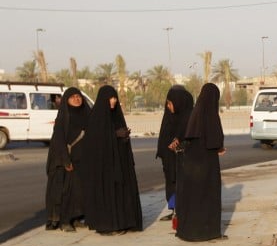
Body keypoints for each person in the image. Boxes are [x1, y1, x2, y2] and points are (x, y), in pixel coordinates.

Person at [80, 85, 143, 235]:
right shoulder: (96, 119)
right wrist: (115, 135)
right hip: (104, 168)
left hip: (119, 165)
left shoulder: (117, 117)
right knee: (107, 195)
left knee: (120, 193)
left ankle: (124, 222)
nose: (114, 101)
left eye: (115, 97)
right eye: (111, 98)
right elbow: (95, 143)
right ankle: (106, 225)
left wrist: (123, 136)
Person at [176, 83, 226, 242]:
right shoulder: (211, 115)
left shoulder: (196, 115)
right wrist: (219, 148)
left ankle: (191, 232)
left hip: (193, 164)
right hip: (207, 165)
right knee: (208, 198)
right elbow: (215, 140)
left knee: (194, 199)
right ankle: (208, 232)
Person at [44, 87, 91, 232]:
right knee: (67, 192)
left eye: (79, 96)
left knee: (81, 191)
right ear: (66, 100)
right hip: (68, 160)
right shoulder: (64, 117)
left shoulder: (87, 114)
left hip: (84, 160)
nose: (77, 99)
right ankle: (65, 221)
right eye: (73, 97)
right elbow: (59, 140)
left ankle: (76, 218)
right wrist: (65, 161)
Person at [155, 85, 194, 223]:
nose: (168, 106)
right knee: (171, 182)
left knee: (183, 183)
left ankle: (183, 211)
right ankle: (174, 210)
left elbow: (187, 134)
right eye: (167, 103)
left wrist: (179, 140)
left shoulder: (188, 117)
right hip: (169, 158)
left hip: (183, 158)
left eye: (170, 103)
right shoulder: (168, 116)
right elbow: (164, 136)